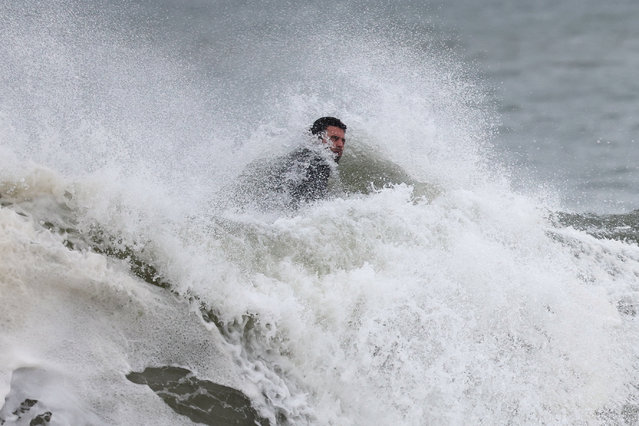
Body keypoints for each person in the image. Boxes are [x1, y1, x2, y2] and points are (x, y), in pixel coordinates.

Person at [283, 117, 347, 205]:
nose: (340, 145)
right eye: (334, 138)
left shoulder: (300, 157)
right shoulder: (315, 162)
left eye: (343, 141)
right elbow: (311, 205)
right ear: (316, 139)